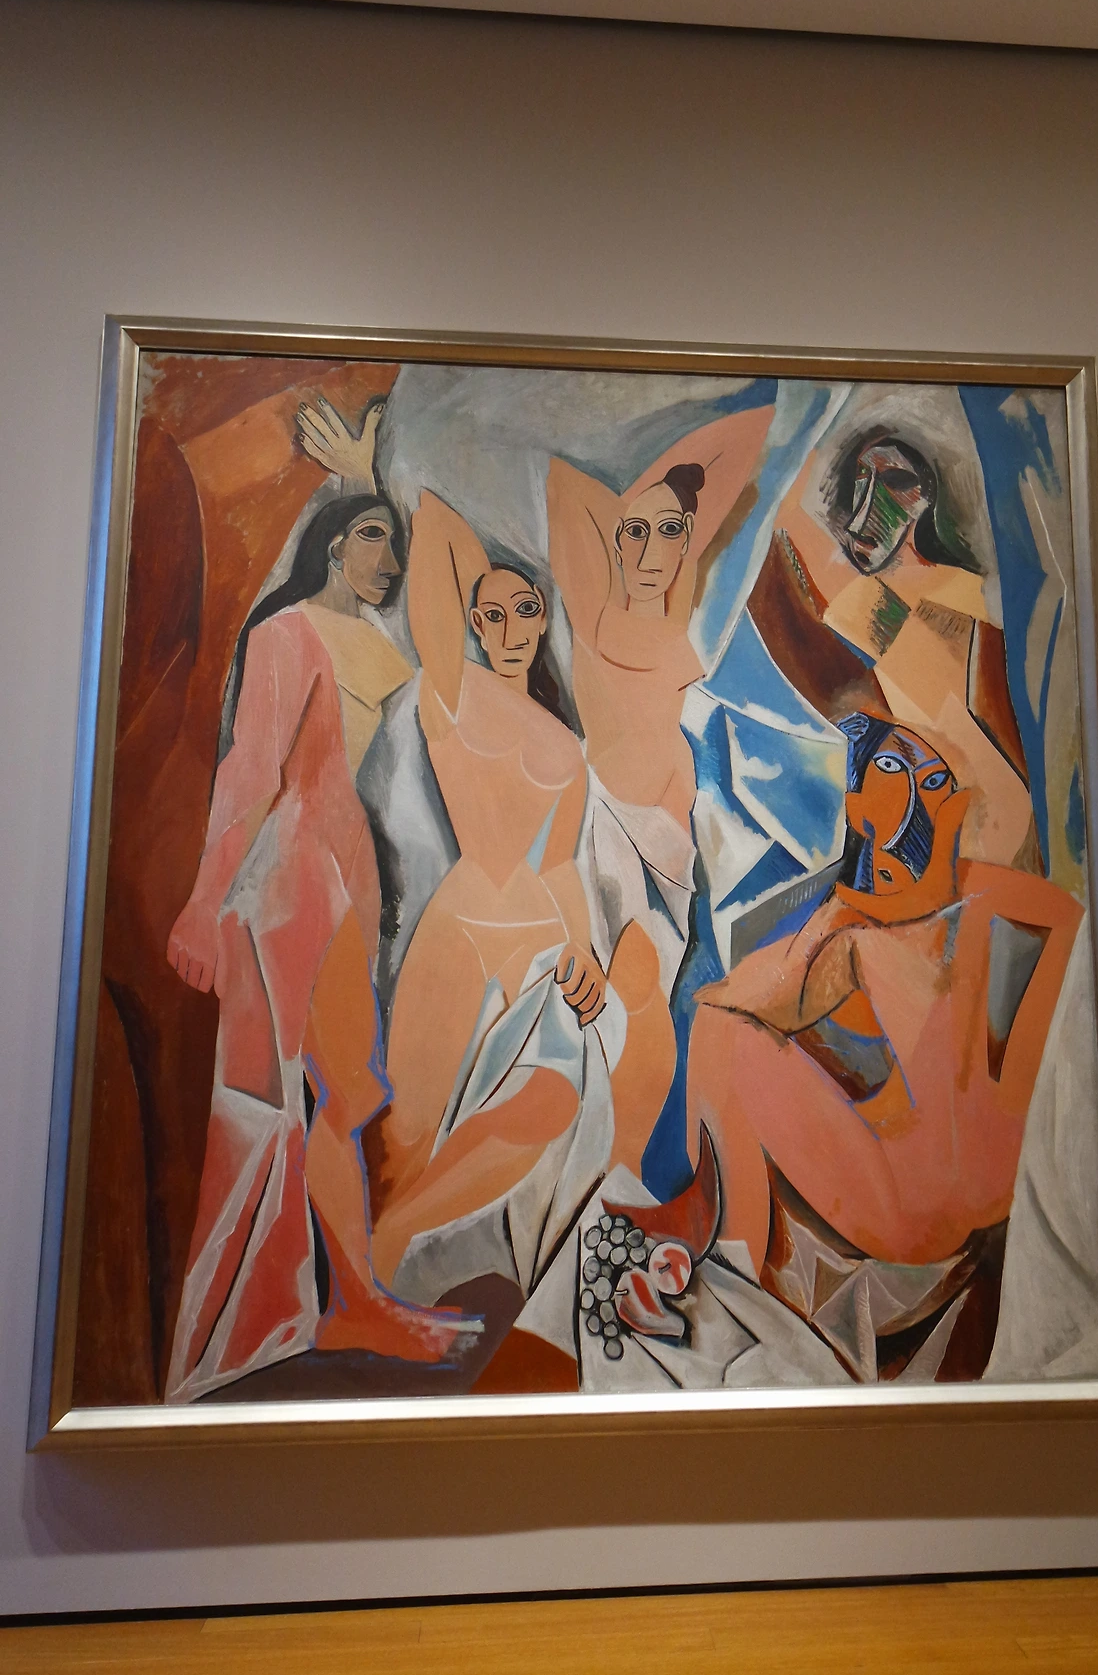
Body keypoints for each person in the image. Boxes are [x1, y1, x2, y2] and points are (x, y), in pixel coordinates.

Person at [165, 493, 463, 1400]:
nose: (388, 558)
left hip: (346, 879)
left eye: (395, 542)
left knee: (340, 1097)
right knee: (275, 1098)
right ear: (331, 543)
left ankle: (350, 1302)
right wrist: (202, 903)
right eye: (372, 534)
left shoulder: (373, 644)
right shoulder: (284, 634)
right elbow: (251, 770)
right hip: (288, 883)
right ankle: (267, 1321)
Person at [684, 713, 1081, 1373]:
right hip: (933, 1192)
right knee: (724, 1030)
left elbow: (734, 1008)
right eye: (894, 767)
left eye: (935, 779)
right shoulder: (851, 925)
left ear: (958, 805)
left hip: (955, 1197)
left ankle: (736, 1296)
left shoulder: (1014, 909)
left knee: (723, 1035)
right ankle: (737, 1288)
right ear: (858, 801)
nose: (921, 794)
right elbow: (747, 1000)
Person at [369, 491, 620, 1286]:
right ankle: (378, 1275)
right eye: (493, 617)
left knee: (547, 1102)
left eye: (525, 611)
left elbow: (560, 865)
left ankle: (403, 1239)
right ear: (473, 626)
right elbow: (438, 522)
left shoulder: (568, 744)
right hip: (460, 931)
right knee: (407, 1129)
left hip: (538, 945)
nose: (511, 629)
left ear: (545, 618)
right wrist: (485, 585)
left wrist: (583, 948)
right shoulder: (451, 691)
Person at [546, 405, 773, 998]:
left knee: (653, 983)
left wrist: (655, 504)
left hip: (672, 815)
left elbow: (750, 433)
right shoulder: (596, 617)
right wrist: (638, 501)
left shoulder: (680, 607)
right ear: (615, 543)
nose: (651, 554)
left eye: (670, 532)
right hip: (610, 809)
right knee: (610, 987)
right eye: (635, 534)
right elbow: (564, 485)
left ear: (688, 540)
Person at [772, 431, 1033, 868]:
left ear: (927, 500)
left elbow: (995, 726)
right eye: (862, 479)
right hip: (909, 836)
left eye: (895, 481)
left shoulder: (962, 598)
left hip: (982, 838)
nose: (867, 511)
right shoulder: (857, 607)